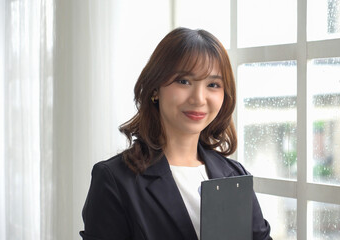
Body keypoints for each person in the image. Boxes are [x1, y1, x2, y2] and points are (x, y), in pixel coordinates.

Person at [80, 27, 272, 240]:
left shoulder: (235, 175)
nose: (199, 98)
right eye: (184, 81)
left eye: (213, 84)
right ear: (155, 89)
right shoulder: (115, 180)